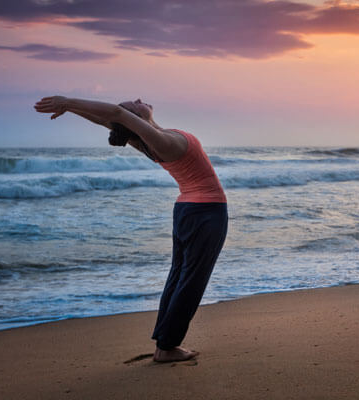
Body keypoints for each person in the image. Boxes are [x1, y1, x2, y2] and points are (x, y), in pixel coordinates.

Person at [34, 96, 228, 363]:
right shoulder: (161, 142)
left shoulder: (150, 140)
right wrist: (68, 101)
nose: (138, 98)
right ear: (134, 117)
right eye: (132, 103)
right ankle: (167, 346)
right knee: (191, 281)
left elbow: (110, 120)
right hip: (205, 212)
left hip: (187, 211)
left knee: (179, 277)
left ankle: (165, 342)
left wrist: (72, 109)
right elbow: (115, 115)